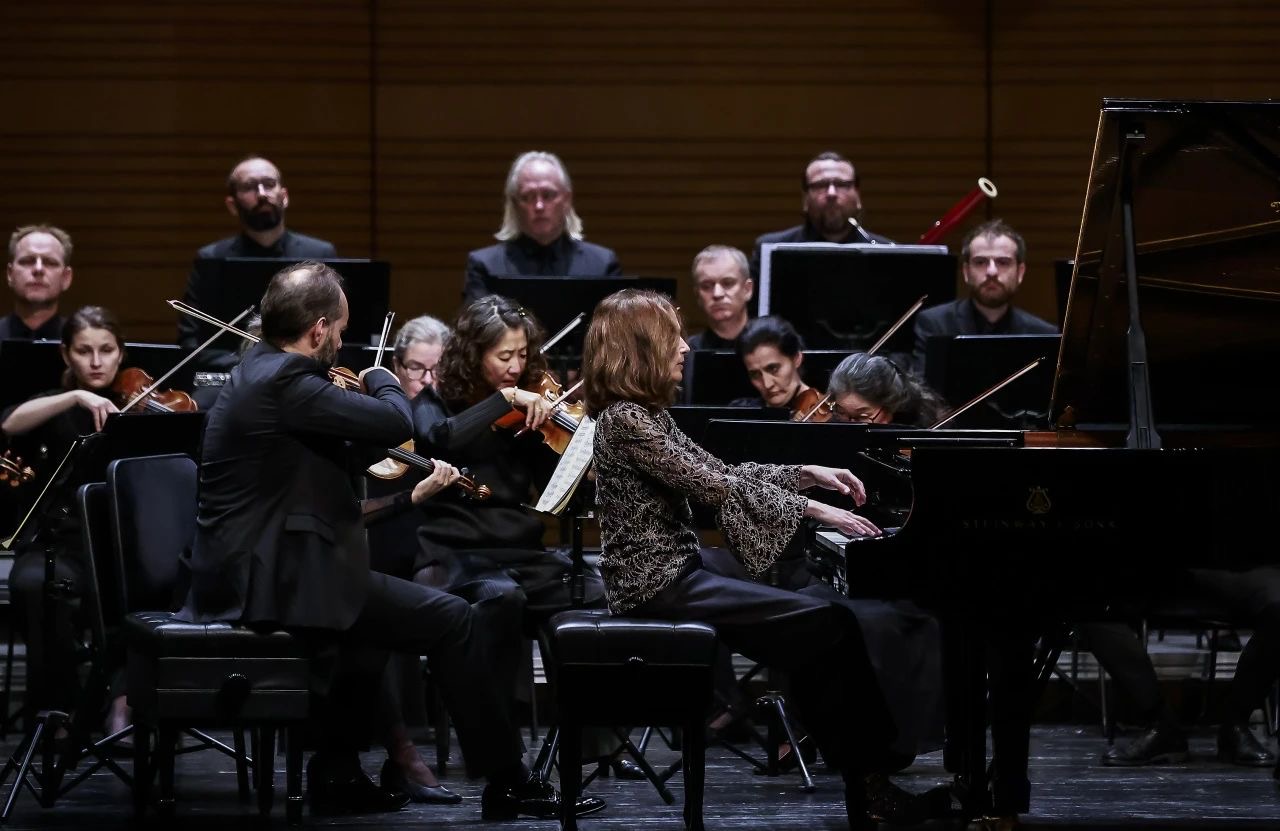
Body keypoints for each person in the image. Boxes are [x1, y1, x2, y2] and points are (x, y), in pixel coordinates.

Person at [176, 262, 602, 819]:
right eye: (342, 328)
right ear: (320, 330)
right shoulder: (287, 381)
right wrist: (381, 378)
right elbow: (387, 421)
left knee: (368, 633)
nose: (342, 341)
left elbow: (334, 452)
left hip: (272, 567)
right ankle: (508, 782)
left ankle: (338, 772)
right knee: (454, 620)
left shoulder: (257, 368)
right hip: (273, 579)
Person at [583, 288, 947, 831]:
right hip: (660, 585)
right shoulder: (627, 422)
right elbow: (714, 487)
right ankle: (870, 785)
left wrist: (806, 474)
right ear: (640, 348)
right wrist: (817, 510)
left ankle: (864, 779)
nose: (684, 346)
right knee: (829, 621)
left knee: (819, 622)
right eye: (671, 337)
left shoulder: (645, 415)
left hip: (684, 571)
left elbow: (721, 467)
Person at [409, 295, 612, 759]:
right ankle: (498, 756)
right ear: (473, 354)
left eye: (523, 355)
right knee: (500, 600)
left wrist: (574, 451)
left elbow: (554, 488)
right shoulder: (432, 402)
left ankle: (592, 746)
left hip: (520, 553)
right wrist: (502, 401)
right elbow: (437, 439)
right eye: (504, 356)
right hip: (454, 552)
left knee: (590, 591)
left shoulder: (533, 408)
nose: (516, 367)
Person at [1, 306, 126, 733]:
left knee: (147, 590)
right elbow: (9, 423)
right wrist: (75, 396)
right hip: (61, 542)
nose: (96, 362)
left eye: (106, 351)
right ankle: (57, 707)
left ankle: (122, 703)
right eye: (84, 351)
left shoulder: (136, 409)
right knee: (33, 584)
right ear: (66, 355)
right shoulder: (52, 406)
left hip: (120, 547)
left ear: (120, 353)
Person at [1087, 568, 1280, 769]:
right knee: (1087, 604)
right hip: (1156, 573)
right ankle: (1161, 724)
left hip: (1235, 569)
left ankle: (1236, 724)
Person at [178, 156, 337, 376]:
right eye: (249, 187)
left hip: (301, 374)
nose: (262, 193)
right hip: (229, 375)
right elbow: (191, 340)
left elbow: (334, 330)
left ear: (284, 196)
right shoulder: (210, 259)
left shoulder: (319, 255)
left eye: (269, 184)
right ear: (232, 205)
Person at [463, 151, 621, 304]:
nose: (539, 206)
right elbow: (479, 329)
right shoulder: (484, 266)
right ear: (514, 203)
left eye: (548, 195)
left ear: (567, 199)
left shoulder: (602, 264)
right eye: (528, 196)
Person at [911, 219, 1057, 375]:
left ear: (1020, 272)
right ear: (966, 272)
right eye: (980, 262)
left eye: (1003, 262)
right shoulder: (934, 325)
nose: (992, 272)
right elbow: (921, 393)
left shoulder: (1043, 333)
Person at [749, 151, 893, 282]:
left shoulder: (888, 252)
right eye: (820, 185)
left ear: (858, 197)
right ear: (805, 199)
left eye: (841, 184)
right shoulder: (772, 250)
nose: (831, 193)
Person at [827, 352, 950, 427]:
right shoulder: (832, 423)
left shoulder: (925, 424)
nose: (850, 426)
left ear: (890, 407)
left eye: (862, 416)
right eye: (841, 413)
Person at [2, 225, 75, 340]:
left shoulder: (81, 342)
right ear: (10, 274)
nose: (38, 269)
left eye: (50, 262)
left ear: (66, 278)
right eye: (27, 261)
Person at [729, 316, 814, 414]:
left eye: (773, 369)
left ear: (796, 358)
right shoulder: (740, 412)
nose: (767, 385)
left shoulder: (828, 416)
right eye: (755, 374)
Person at [687, 245, 754, 350]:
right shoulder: (687, 353)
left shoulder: (772, 348)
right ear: (697, 295)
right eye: (706, 286)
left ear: (747, 289)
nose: (717, 294)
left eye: (728, 283)